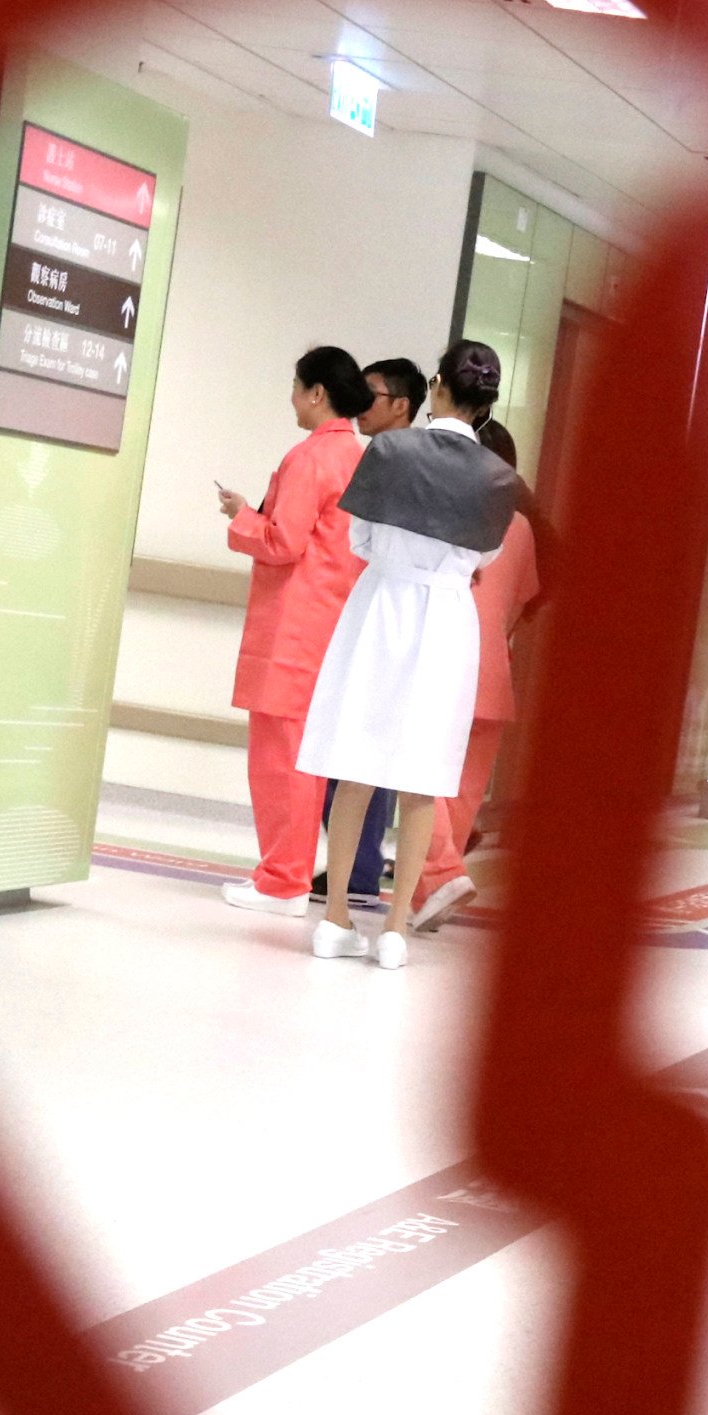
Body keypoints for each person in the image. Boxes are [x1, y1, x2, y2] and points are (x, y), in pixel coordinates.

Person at [299, 357, 522, 970]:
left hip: (381, 607)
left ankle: (336, 917)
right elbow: (486, 553)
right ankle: (395, 928)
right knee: (424, 775)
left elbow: (360, 541)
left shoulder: (391, 452)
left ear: (438, 390)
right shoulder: (499, 478)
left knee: (355, 763)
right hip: (448, 619)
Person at [213, 346, 370, 917]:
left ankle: (282, 880)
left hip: (292, 626)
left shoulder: (308, 458)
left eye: (295, 386)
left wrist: (241, 519)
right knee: (304, 758)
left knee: (280, 760)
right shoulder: (360, 456)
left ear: (316, 393)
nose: (291, 398)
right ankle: (289, 875)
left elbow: (284, 542)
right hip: (331, 623)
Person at [406, 341, 544, 931]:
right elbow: (519, 603)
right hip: (494, 678)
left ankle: (439, 877)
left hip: (447, 664)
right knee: (461, 793)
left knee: (420, 775)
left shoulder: (447, 509)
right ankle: (429, 893)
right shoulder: (519, 525)